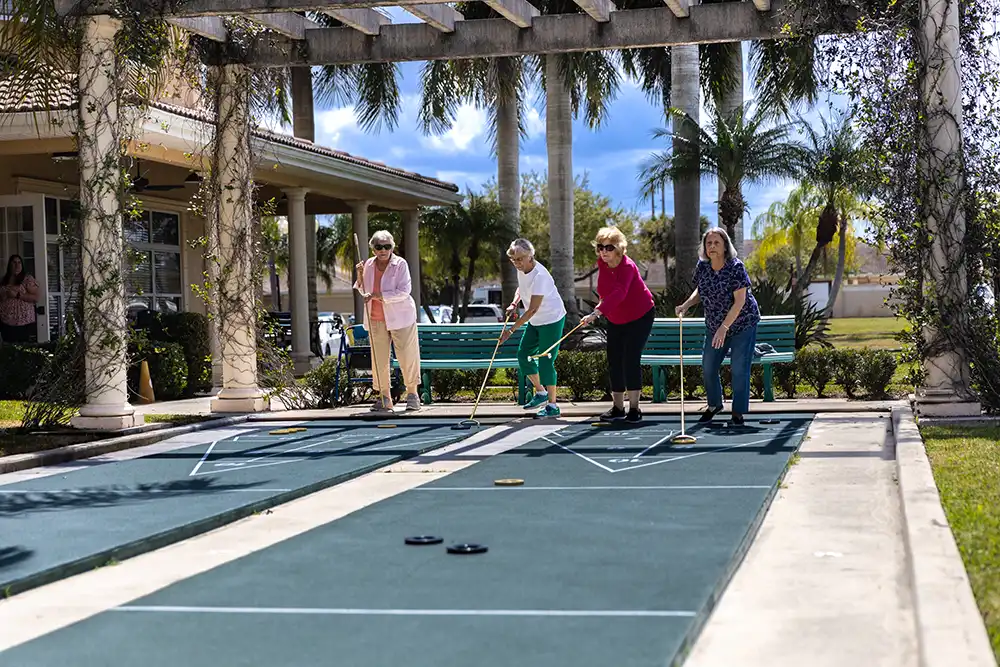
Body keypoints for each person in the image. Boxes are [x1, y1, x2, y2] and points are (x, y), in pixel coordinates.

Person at [675, 227, 761, 426]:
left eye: (716, 243)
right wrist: (686, 304)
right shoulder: (703, 266)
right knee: (708, 366)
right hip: (715, 324)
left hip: (742, 323)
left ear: (725, 247)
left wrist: (724, 328)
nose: (712, 246)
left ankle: (738, 412)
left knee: (739, 368)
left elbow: (740, 302)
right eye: (709, 243)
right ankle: (714, 404)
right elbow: (700, 290)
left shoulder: (736, 267)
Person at [581, 226, 656, 423]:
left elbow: (620, 292)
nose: (604, 251)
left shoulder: (627, 267)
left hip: (640, 314)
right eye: (600, 247)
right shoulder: (602, 265)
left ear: (619, 248)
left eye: (609, 247)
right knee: (614, 359)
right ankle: (617, 407)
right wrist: (598, 308)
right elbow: (606, 294)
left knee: (630, 358)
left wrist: (598, 311)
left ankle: (634, 409)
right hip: (616, 317)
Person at [354, 231, 422, 413]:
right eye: (379, 247)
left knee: (407, 356)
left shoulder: (400, 264)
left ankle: (413, 394)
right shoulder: (367, 264)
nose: (383, 250)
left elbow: (404, 291)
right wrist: (360, 275)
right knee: (379, 360)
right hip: (375, 318)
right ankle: (385, 397)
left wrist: (378, 296)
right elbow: (362, 289)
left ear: (392, 247)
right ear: (373, 249)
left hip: (401, 317)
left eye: (387, 246)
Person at [499, 238, 566, 419]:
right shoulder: (523, 270)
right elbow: (522, 289)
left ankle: (553, 405)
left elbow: (532, 310)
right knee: (523, 355)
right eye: (513, 260)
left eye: (520, 259)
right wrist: (514, 303)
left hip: (551, 320)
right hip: (536, 321)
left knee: (545, 361)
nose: (517, 263)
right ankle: (541, 393)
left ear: (531, 255)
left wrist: (511, 330)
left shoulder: (540, 276)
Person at [0, 254, 38, 344]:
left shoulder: (28, 280)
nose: (17, 265)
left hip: (24, 323)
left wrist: (17, 295)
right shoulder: (3, 281)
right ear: (10, 265)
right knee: (9, 351)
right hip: (6, 323)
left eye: (19, 262)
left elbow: (36, 298)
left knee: (23, 350)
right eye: (14, 262)